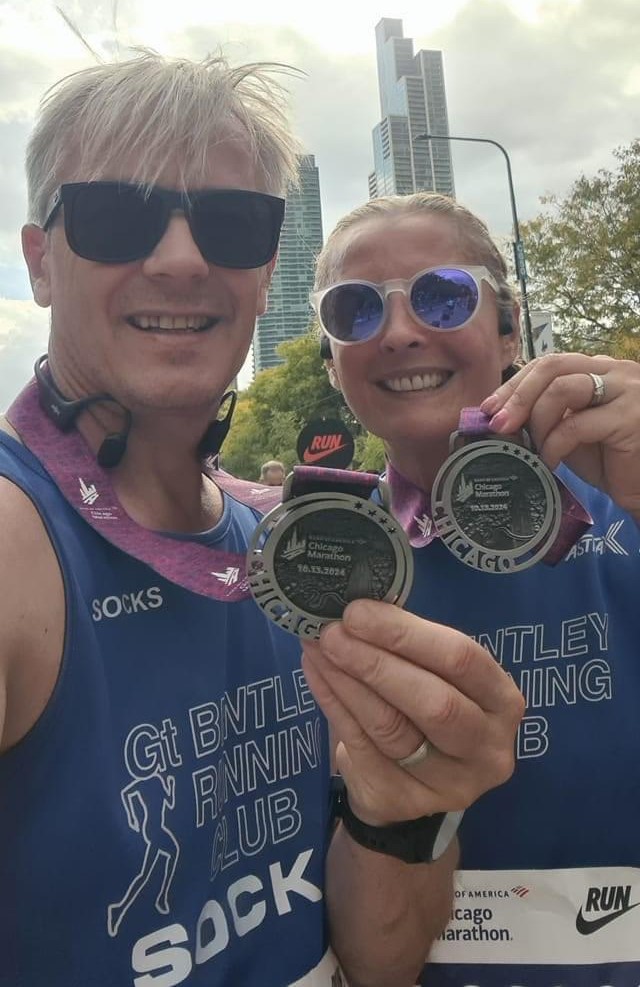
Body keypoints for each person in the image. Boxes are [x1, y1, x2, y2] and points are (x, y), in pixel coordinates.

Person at [0, 52, 524, 987]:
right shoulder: (14, 540)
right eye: (118, 216)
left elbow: (377, 962)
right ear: (41, 261)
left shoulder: (290, 555)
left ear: (264, 271)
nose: (181, 258)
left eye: (231, 224)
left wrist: (408, 806)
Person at [312, 191, 640, 985]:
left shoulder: (626, 499)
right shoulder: (314, 573)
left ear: (508, 327)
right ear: (332, 365)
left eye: (442, 296)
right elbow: (369, 963)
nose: (399, 332)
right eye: (356, 310)